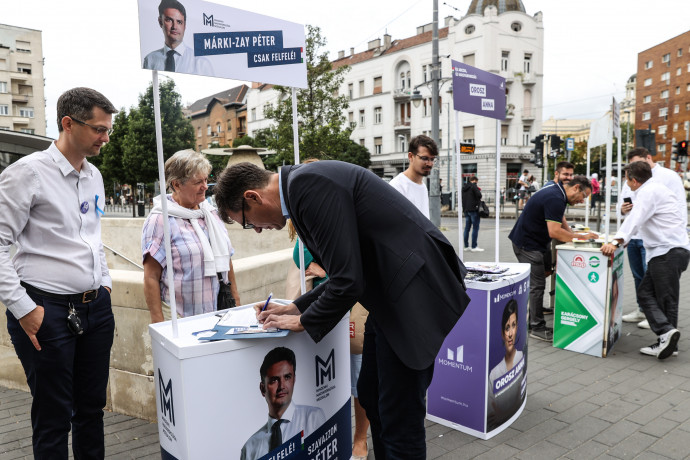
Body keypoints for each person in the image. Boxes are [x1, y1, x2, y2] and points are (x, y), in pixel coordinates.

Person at [214, 161, 470, 459]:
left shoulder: (306, 186)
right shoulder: (300, 186)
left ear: (252, 197)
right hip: (392, 298)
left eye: (247, 222)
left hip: (414, 297)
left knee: (401, 420)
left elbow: (348, 281)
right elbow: (346, 273)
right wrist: (295, 308)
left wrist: (305, 321)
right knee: (372, 395)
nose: (257, 230)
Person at [0, 87, 117, 458]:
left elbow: (92, 237)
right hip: (45, 310)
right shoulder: (28, 173)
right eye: (99, 129)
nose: (106, 137)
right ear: (68, 124)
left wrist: (106, 284)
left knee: (91, 410)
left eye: (108, 129)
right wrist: (24, 309)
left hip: (95, 308)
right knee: (53, 415)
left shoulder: (94, 175)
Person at [601, 161, 690, 360]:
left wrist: (616, 242)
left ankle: (665, 333)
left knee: (648, 294)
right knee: (663, 297)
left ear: (633, 180)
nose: (627, 184)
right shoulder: (657, 189)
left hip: (666, 252)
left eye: (627, 179)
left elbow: (635, 220)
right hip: (675, 250)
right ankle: (667, 342)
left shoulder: (648, 192)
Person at [142, 149, 239, 322]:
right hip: (180, 317)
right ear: (176, 184)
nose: (205, 186)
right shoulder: (160, 219)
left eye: (206, 180)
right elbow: (151, 276)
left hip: (220, 312)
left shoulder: (210, 213)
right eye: (197, 182)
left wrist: (236, 300)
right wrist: (158, 322)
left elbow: (227, 261)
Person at [508, 176, 597, 342]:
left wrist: (574, 234)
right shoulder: (556, 198)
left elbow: (559, 219)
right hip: (527, 244)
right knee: (537, 286)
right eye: (583, 196)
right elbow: (554, 232)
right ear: (576, 187)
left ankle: (531, 314)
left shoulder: (558, 193)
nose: (582, 201)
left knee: (542, 276)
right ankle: (537, 326)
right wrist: (579, 238)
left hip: (536, 242)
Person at [619, 147, 688, 329]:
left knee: (661, 292)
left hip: (666, 247)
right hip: (656, 243)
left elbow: (637, 217)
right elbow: (629, 211)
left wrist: (617, 240)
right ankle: (663, 328)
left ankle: (663, 328)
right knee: (645, 285)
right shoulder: (647, 186)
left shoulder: (658, 183)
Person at [241, 347, 326, 460]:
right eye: (274, 380)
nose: (282, 386)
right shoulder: (250, 447)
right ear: (262, 389)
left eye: (287, 377)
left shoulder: (312, 418)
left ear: (294, 380)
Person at [142, 0, 214, 75]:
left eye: (179, 22)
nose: (174, 27)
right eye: (169, 20)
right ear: (160, 22)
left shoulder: (201, 63)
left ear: (185, 26)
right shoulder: (150, 59)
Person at [487, 300, 525, 430]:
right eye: (507, 327)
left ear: (518, 327)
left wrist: (502, 414)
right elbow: (491, 415)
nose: (510, 334)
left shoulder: (521, 358)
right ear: (502, 332)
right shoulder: (494, 374)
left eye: (513, 326)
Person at [389, 134, 437, 219]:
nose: (429, 164)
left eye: (432, 159)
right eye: (425, 158)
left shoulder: (423, 187)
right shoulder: (397, 186)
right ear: (411, 156)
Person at [462, 175, 484, 252]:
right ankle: (474, 246)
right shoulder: (473, 186)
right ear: (475, 180)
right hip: (473, 209)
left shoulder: (464, 187)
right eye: (476, 182)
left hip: (466, 210)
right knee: (475, 228)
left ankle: (466, 246)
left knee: (467, 228)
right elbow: (479, 195)